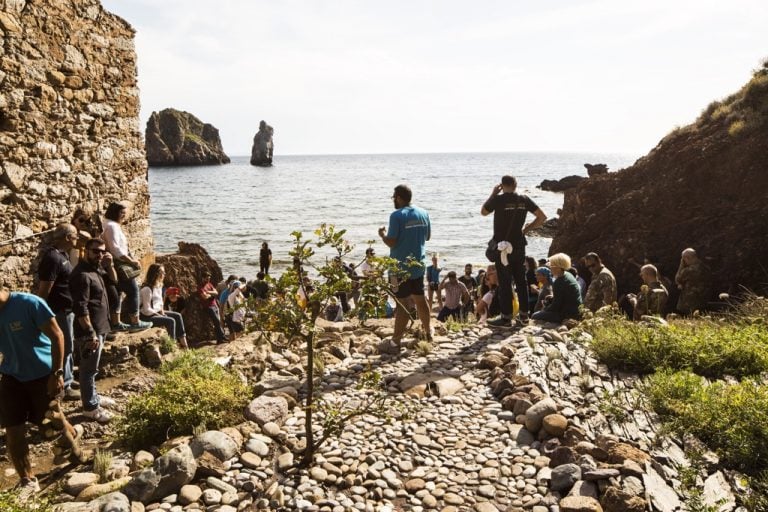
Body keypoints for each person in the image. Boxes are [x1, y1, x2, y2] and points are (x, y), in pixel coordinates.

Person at [0, 285, 83, 497]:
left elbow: (58, 336)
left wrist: (57, 374)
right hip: (12, 377)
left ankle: (75, 446)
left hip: (42, 375)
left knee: (51, 429)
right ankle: (27, 480)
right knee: (14, 430)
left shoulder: (29, 304)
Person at [481, 175, 547, 326]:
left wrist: (493, 194)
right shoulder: (524, 199)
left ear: (502, 185)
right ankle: (524, 316)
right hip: (519, 245)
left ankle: (506, 317)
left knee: (504, 282)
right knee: (521, 280)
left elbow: (483, 212)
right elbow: (542, 217)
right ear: (516, 185)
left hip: (502, 247)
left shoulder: (498, 199)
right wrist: (527, 229)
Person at [69, 238, 119, 423]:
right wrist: (90, 333)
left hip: (101, 327)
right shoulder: (82, 275)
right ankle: (90, 408)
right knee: (88, 370)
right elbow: (80, 308)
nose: (99, 255)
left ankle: (94, 398)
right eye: (95, 251)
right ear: (86, 251)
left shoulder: (96, 269)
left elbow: (114, 281)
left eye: (102, 251)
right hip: (90, 331)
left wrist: (109, 264)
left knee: (93, 369)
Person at [378, 184, 432, 352]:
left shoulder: (396, 216)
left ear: (399, 197)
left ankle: (395, 342)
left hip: (398, 268)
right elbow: (428, 237)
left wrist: (382, 235)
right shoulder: (423, 213)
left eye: (394, 197)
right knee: (420, 299)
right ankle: (428, 332)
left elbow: (392, 241)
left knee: (402, 304)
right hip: (418, 265)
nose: (393, 200)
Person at [36, 223, 80, 401]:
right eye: (75, 235)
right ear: (68, 237)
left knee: (69, 345)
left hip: (67, 309)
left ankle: (69, 377)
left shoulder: (62, 255)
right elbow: (45, 289)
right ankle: (65, 385)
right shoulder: (53, 258)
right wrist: (42, 312)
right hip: (59, 310)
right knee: (65, 346)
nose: (78, 238)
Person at [101, 202, 151, 332]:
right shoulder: (112, 226)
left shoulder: (110, 224)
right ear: (114, 213)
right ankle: (135, 322)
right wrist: (132, 261)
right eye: (121, 213)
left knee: (117, 292)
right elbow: (115, 249)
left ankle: (116, 323)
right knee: (134, 291)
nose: (124, 215)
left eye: (124, 213)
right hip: (119, 264)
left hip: (114, 264)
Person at [140, 264, 188, 349]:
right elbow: (147, 310)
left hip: (156, 313)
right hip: (147, 317)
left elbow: (160, 303)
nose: (164, 274)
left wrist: (162, 312)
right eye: (162, 272)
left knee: (178, 315)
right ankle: (172, 346)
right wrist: (160, 315)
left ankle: (184, 345)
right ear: (156, 273)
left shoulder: (159, 285)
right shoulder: (147, 289)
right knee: (170, 321)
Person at [532, 253, 582, 324]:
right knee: (548, 300)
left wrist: (545, 309)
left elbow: (556, 306)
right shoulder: (568, 275)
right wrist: (552, 298)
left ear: (558, 268)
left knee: (535, 315)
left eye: (551, 265)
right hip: (576, 310)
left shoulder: (559, 282)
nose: (550, 268)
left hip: (567, 314)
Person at [675, 248, 710, 315]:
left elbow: (677, 279)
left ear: (687, 258)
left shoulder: (689, 270)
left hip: (689, 302)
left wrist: (681, 265)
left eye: (683, 259)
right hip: (704, 300)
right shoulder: (706, 268)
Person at [198, 272, 226, 344]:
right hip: (208, 307)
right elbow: (204, 297)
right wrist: (211, 294)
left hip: (214, 305)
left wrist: (208, 292)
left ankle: (221, 338)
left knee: (218, 321)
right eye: (206, 278)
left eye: (209, 278)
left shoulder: (209, 284)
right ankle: (221, 337)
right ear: (202, 278)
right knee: (216, 321)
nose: (208, 280)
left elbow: (216, 292)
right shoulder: (200, 287)